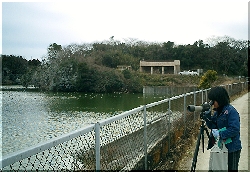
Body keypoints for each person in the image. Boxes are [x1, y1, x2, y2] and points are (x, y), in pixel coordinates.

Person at [204, 86, 242, 171]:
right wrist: (207, 118)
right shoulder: (217, 112)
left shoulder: (231, 111)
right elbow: (212, 126)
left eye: (213, 100)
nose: (212, 103)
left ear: (219, 99)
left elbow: (235, 129)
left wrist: (220, 134)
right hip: (220, 147)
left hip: (232, 148)